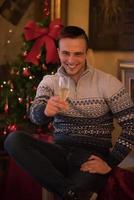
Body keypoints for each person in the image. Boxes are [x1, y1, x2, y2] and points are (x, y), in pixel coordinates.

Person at [4, 26, 134, 200]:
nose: (71, 60)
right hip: (59, 152)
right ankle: (71, 193)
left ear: (86, 53)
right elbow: (35, 117)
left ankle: (70, 192)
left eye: (78, 54)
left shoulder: (108, 83)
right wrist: (44, 111)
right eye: (66, 53)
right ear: (58, 52)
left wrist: (109, 163)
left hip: (91, 157)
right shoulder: (49, 82)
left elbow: (131, 124)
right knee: (13, 139)